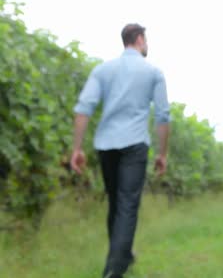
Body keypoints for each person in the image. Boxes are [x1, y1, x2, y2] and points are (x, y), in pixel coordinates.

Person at [69, 23, 170, 278]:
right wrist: (162, 153)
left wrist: (77, 149)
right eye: (146, 39)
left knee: (116, 202)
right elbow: (162, 115)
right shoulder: (153, 73)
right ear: (138, 38)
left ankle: (123, 256)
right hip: (135, 144)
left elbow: (84, 108)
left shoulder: (103, 70)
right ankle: (114, 269)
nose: (147, 44)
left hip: (106, 145)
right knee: (127, 205)